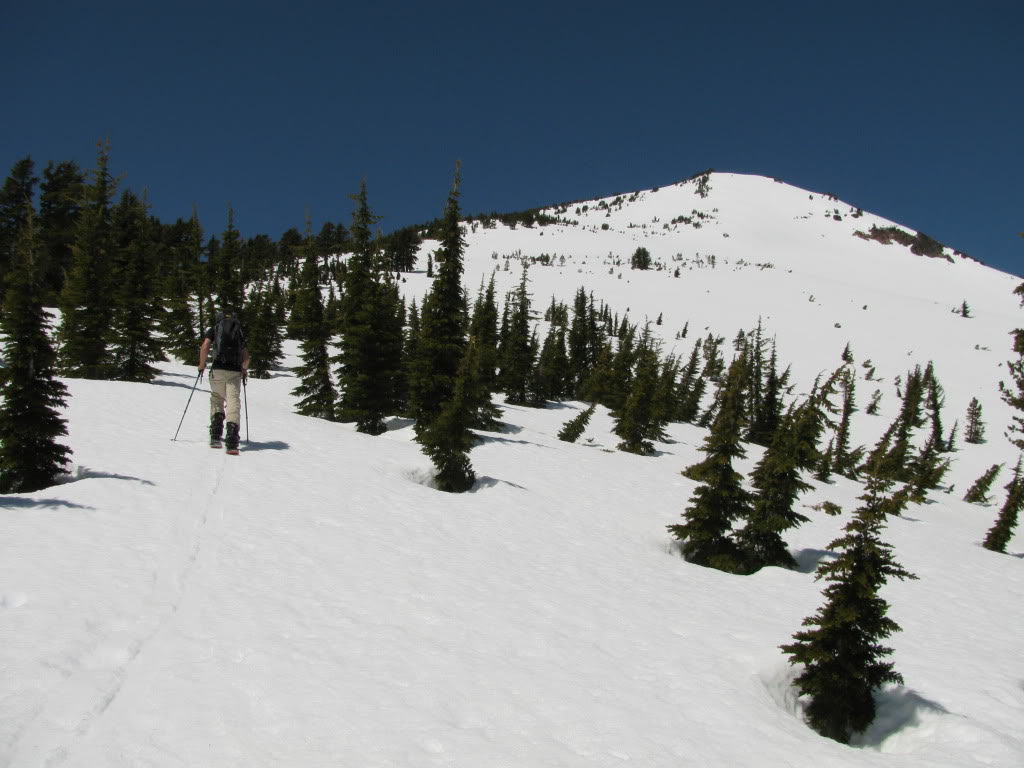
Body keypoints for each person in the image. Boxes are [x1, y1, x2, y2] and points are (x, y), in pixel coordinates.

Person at [198, 311, 249, 452]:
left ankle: (215, 434)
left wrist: (202, 365)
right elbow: (246, 358)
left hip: (218, 369)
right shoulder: (238, 331)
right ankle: (232, 439)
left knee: (217, 398)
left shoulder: (214, 329)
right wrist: (244, 370)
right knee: (233, 401)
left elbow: (204, 347)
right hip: (234, 372)